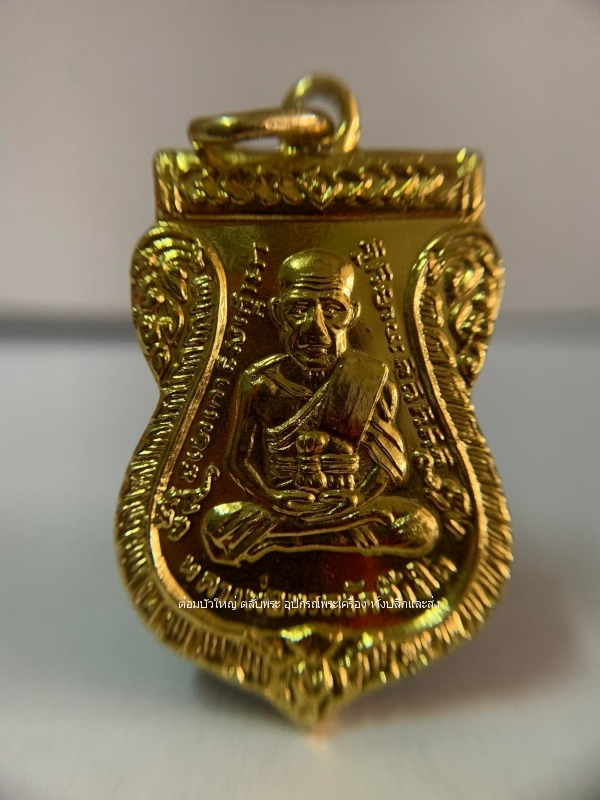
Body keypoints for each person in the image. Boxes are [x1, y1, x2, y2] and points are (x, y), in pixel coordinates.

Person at [201, 249, 439, 565]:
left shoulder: (370, 379)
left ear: (352, 313)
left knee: (421, 526)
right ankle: (329, 536)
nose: (316, 328)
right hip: (284, 506)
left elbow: (391, 467)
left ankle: (288, 539)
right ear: (277, 313)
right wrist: (273, 498)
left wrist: (358, 498)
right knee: (217, 523)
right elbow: (238, 460)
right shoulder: (259, 383)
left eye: (332, 310)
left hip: (347, 505)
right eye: (298, 308)